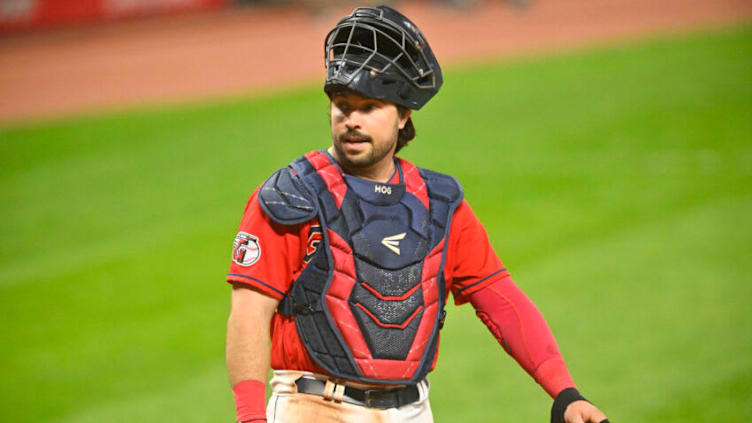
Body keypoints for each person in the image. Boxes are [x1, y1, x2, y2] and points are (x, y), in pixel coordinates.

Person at [225, 5, 610, 423]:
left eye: (369, 107)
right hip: (313, 408)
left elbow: (501, 301)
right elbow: (249, 312)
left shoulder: (439, 204)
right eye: (342, 104)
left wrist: (565, 392)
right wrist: (249, 418)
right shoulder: (291, 195)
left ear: (404, 114)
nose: (351, 120)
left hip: (412, 410)